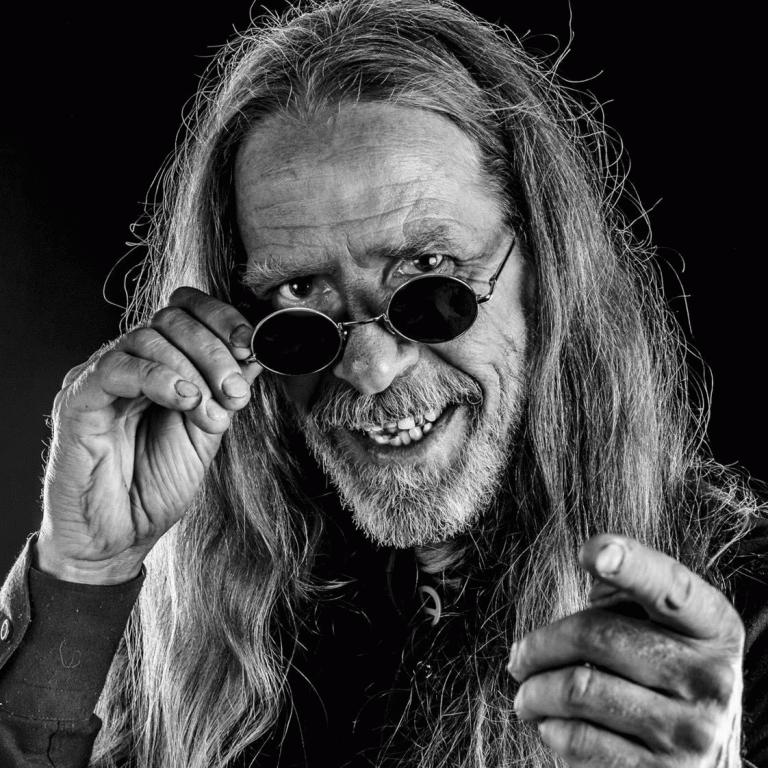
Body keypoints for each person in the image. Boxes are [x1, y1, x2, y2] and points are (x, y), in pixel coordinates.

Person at [0, 0, 766, 766]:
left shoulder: (730, 644)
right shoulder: (207, 617)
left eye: (428, 275)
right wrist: (82, 574)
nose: (367, 369)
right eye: (299, 295)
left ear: (549, 268)